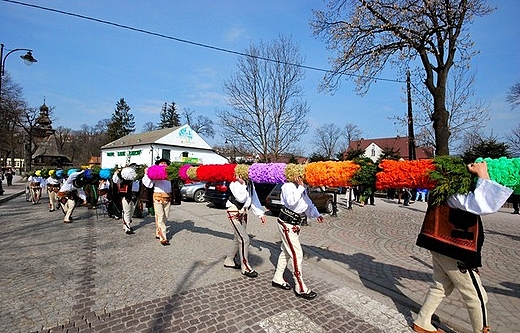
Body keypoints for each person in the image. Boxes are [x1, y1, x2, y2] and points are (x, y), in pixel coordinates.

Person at [412, 161, 512, 333]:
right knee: (477, 296)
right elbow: (482, 204)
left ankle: (422, 320)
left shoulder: (441, 190)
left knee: (441, 285)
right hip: (455, 249)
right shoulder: (454, 194)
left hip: (441, 247)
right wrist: (482, 175)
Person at [272, 175, 324, 300]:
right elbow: (291, 202)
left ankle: (277, 278)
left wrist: (316, 214)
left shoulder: (301, 187)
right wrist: (300, 188)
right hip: (287, 223)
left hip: (294, 223)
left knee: (286, 251)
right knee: (297, 253)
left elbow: (307, 203)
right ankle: (300, 287)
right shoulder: (287, 186)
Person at [223, 173, 267, 278]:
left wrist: (260, 214)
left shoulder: (250, 183)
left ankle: (229, 260)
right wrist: (243, 184)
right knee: (244, 239)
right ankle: (245, 266)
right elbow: (241, 198)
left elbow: (254, 198)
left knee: (237, 238)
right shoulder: (234, 183)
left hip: (244, 212)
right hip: (233, 211)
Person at [142, 158, 173, 246]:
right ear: (158, 165)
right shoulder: (155, 174)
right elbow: (148, 184)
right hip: (157, 197)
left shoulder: (170, 174)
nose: (163, 164)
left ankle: (158, 232)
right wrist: (146, 174)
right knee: (160, 216)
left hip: (168, 197)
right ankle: (163, 238)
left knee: (165, 217)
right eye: (161, 163)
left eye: (165, 163)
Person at [112, 165, 141, 235]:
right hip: (125, 196)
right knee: (127, 211)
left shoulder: (135, 178)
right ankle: (127, 227)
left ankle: (126, 224)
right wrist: (117, 173)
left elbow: (137, 187)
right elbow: (115, 180)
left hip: (134, 196)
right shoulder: (121, 178)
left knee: (132, 210)